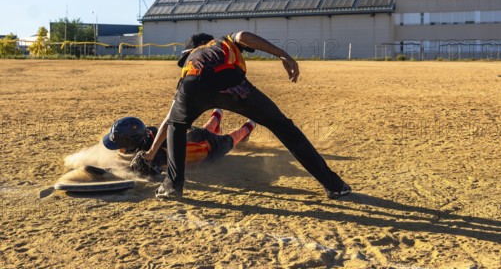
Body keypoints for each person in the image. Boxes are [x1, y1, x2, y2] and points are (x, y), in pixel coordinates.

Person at [141, 31, 351, 200]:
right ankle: (333, 185)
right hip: (232, 85)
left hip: (191, 86)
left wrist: (151, 153)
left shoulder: (189, 65)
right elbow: (243, 36)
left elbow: (170, 120)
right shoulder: (224, 41)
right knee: (283, 127)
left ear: (190, 51)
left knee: (177, 126)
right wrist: (283, 55)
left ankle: (171, 186)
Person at [103, 109, 256, 175]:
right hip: (193, 135)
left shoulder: (158, 155)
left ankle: (251, 123)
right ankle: (218, 111)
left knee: (230, 139)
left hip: (205, 149)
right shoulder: (150, 133)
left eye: (121, 146)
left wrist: (110, 172)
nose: (120, 149)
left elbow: (145, 172)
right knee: (207, 128)